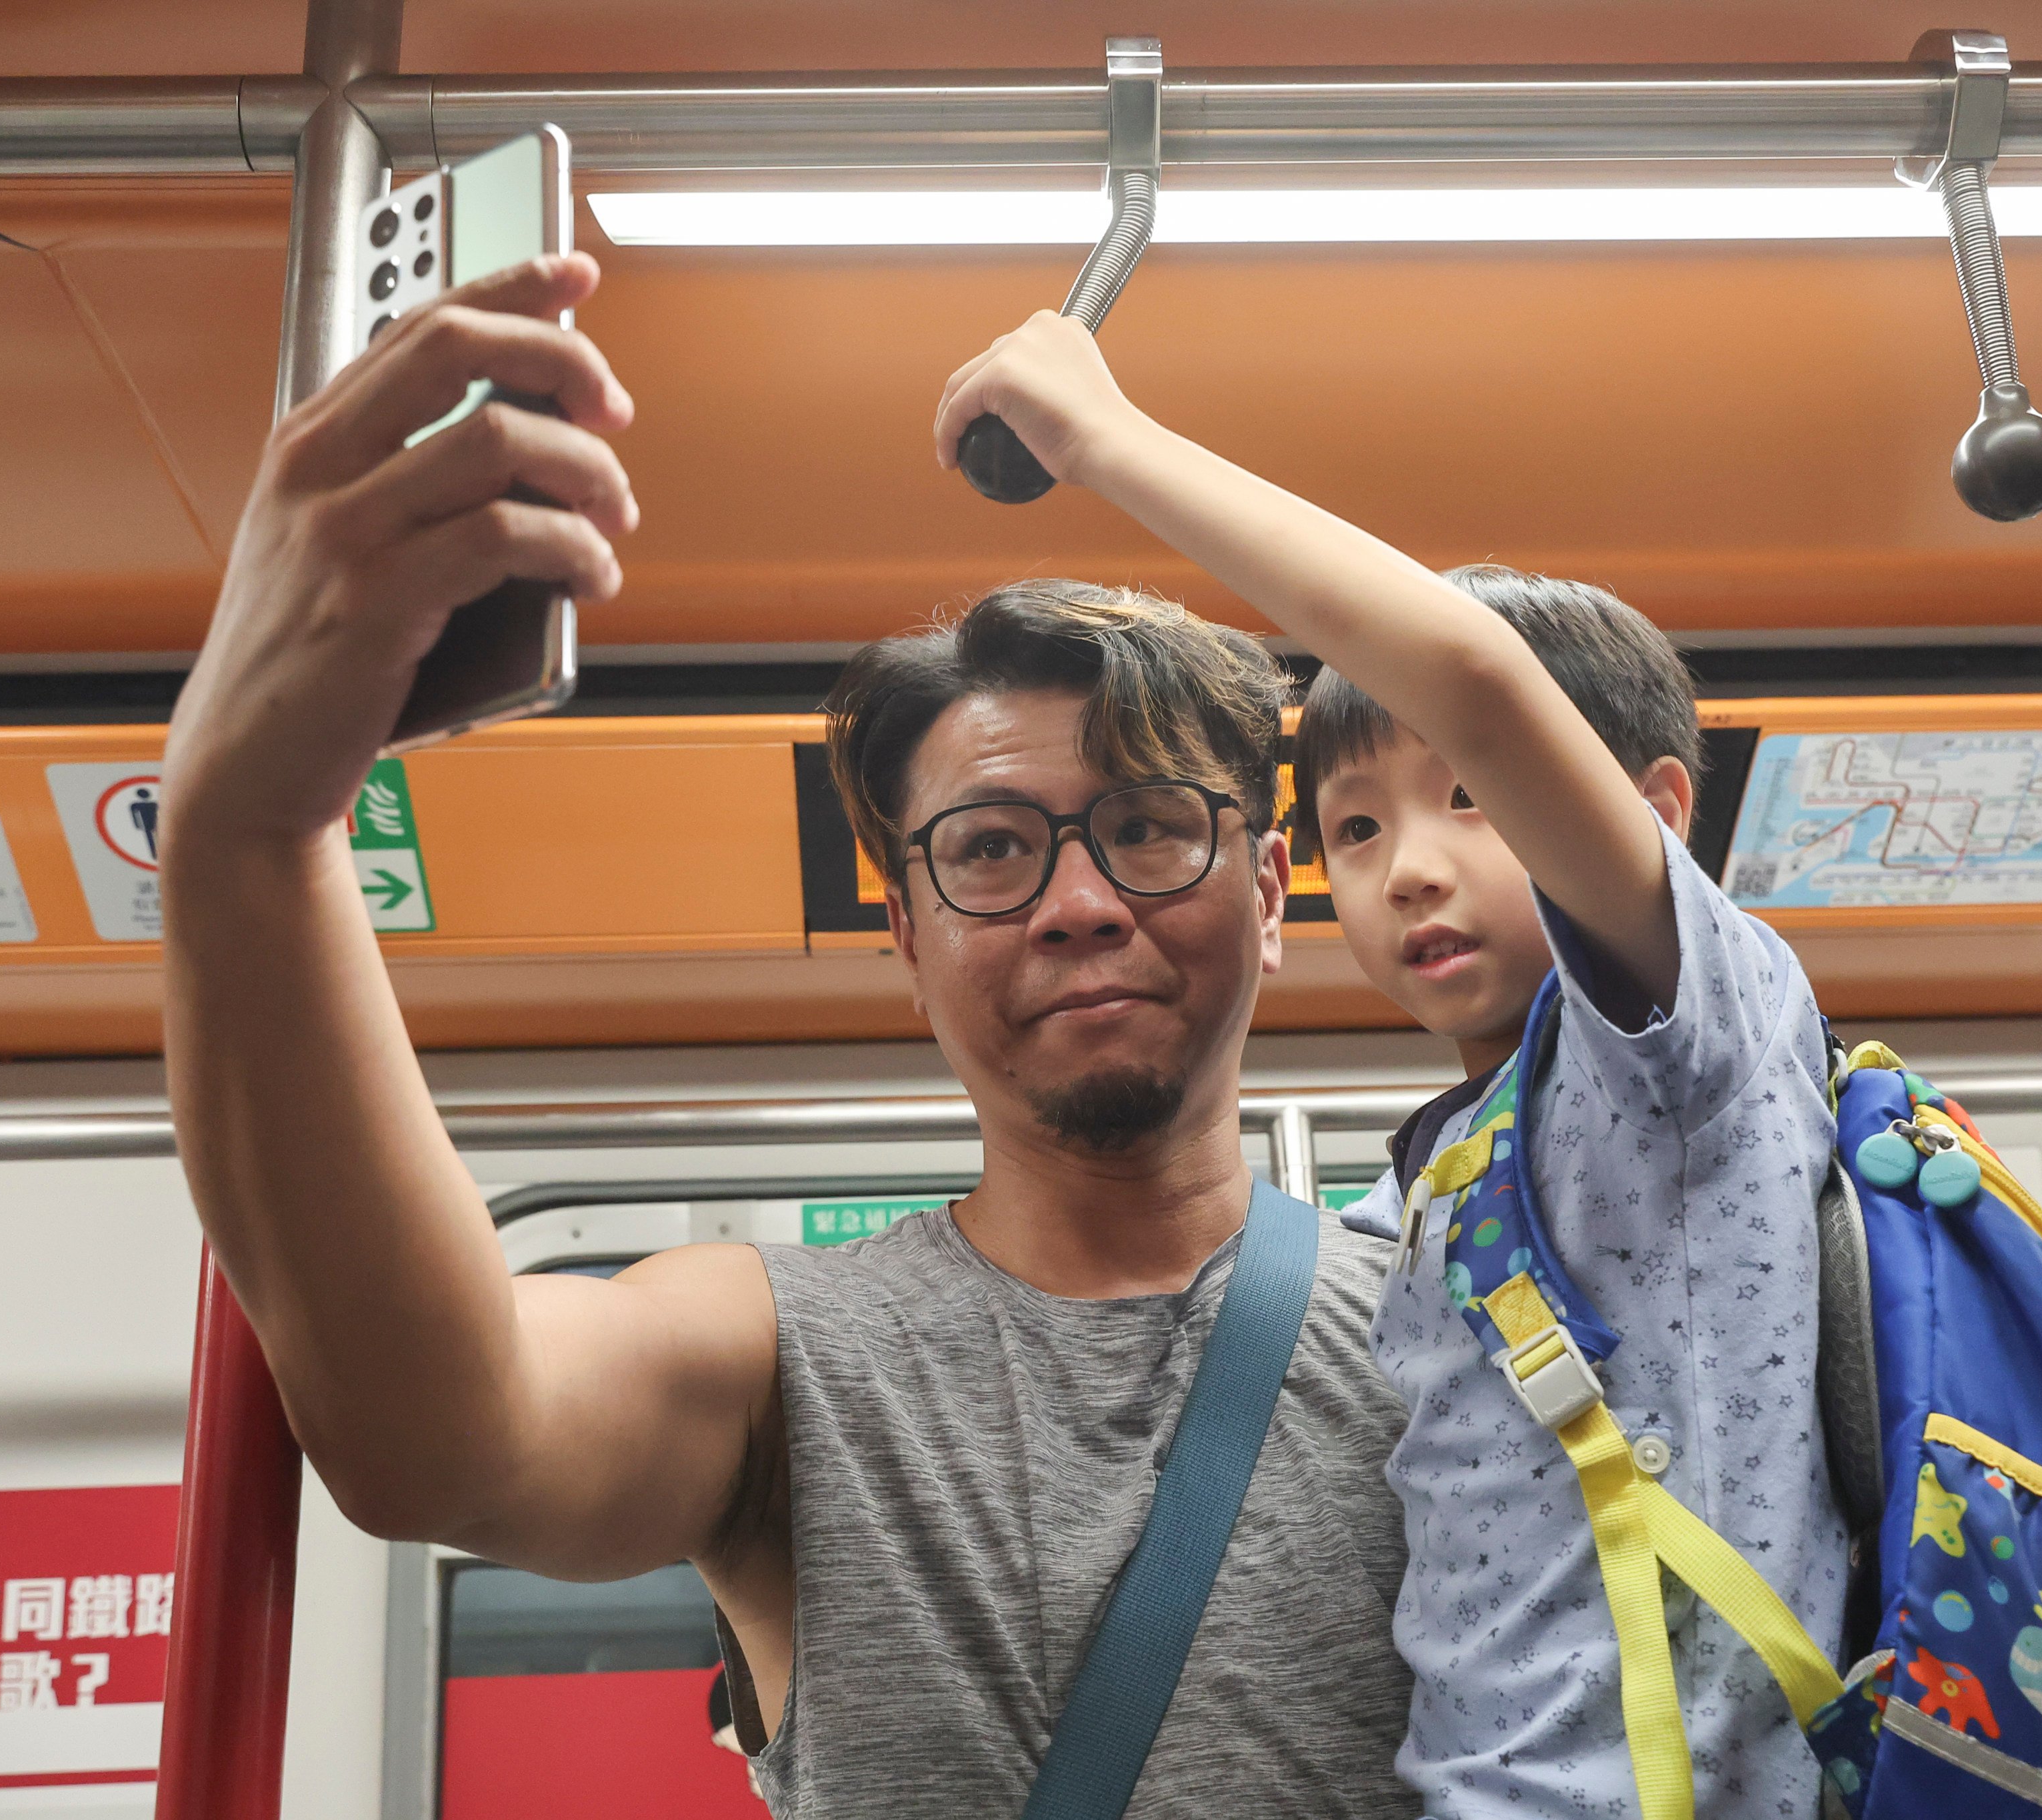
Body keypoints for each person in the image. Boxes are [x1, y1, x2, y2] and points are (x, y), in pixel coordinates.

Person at [158, 254, 1413, 1817]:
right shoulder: (774, 1353)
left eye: (1149, 829)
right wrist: (250, 833)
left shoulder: (1450, 1329)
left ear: (1269, 893)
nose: (1079, 903)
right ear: (907, 937)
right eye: (992, 848)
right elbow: (443, 1437)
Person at [933, 315, 1849, 1813]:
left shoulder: (1689, 1055)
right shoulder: (1430, 1195)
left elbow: (1472, 673)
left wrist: (1107, 445)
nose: (1407, 870)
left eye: (1471, 799)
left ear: (1652, 815)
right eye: (1357, 831)